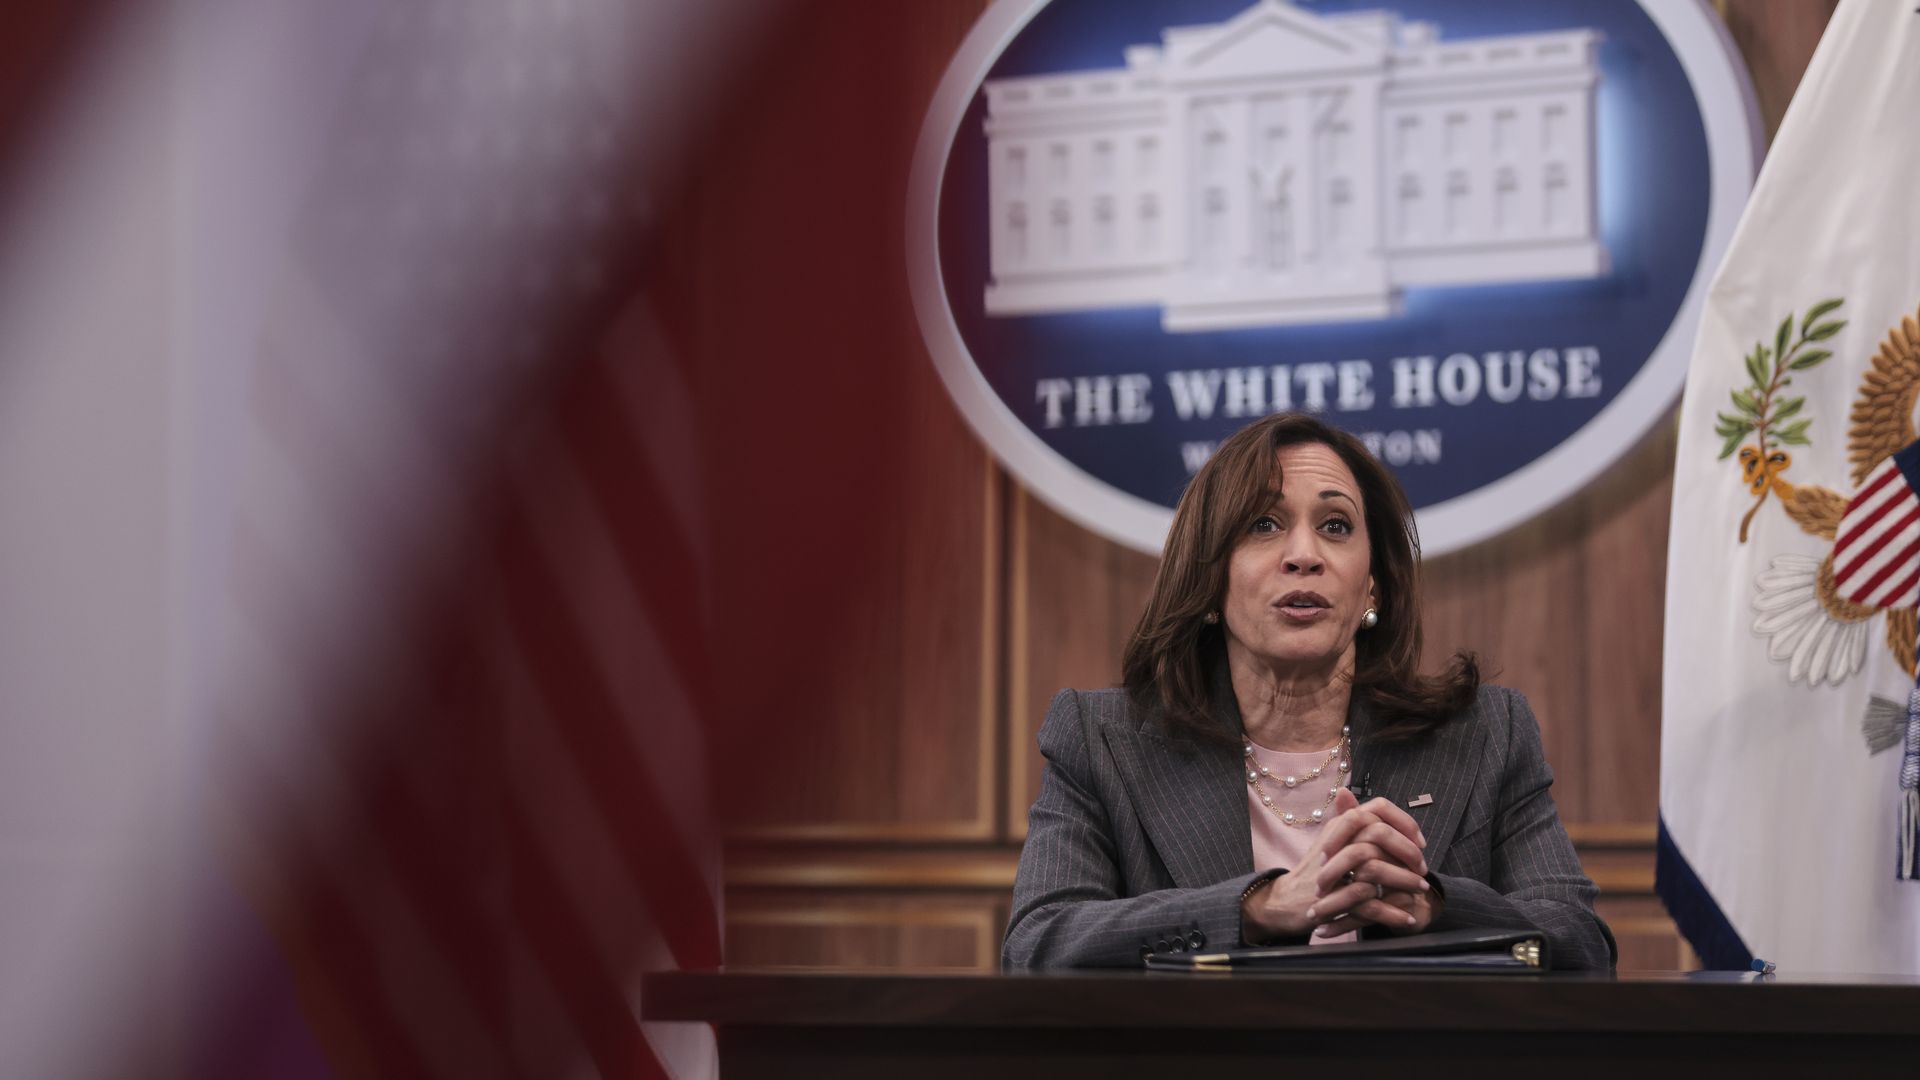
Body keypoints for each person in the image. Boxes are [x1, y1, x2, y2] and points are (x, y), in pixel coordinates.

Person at [1003, 413, 1616, 970]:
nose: (1304, 555)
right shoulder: (1101, 740)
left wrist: (1435, 906)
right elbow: (1039, 946)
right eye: (1264, 525)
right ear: (1210, 577)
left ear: (1372, 586)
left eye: (1336, 525)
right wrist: (1255, 909)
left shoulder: (1484, 733)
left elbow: (1583, 946)